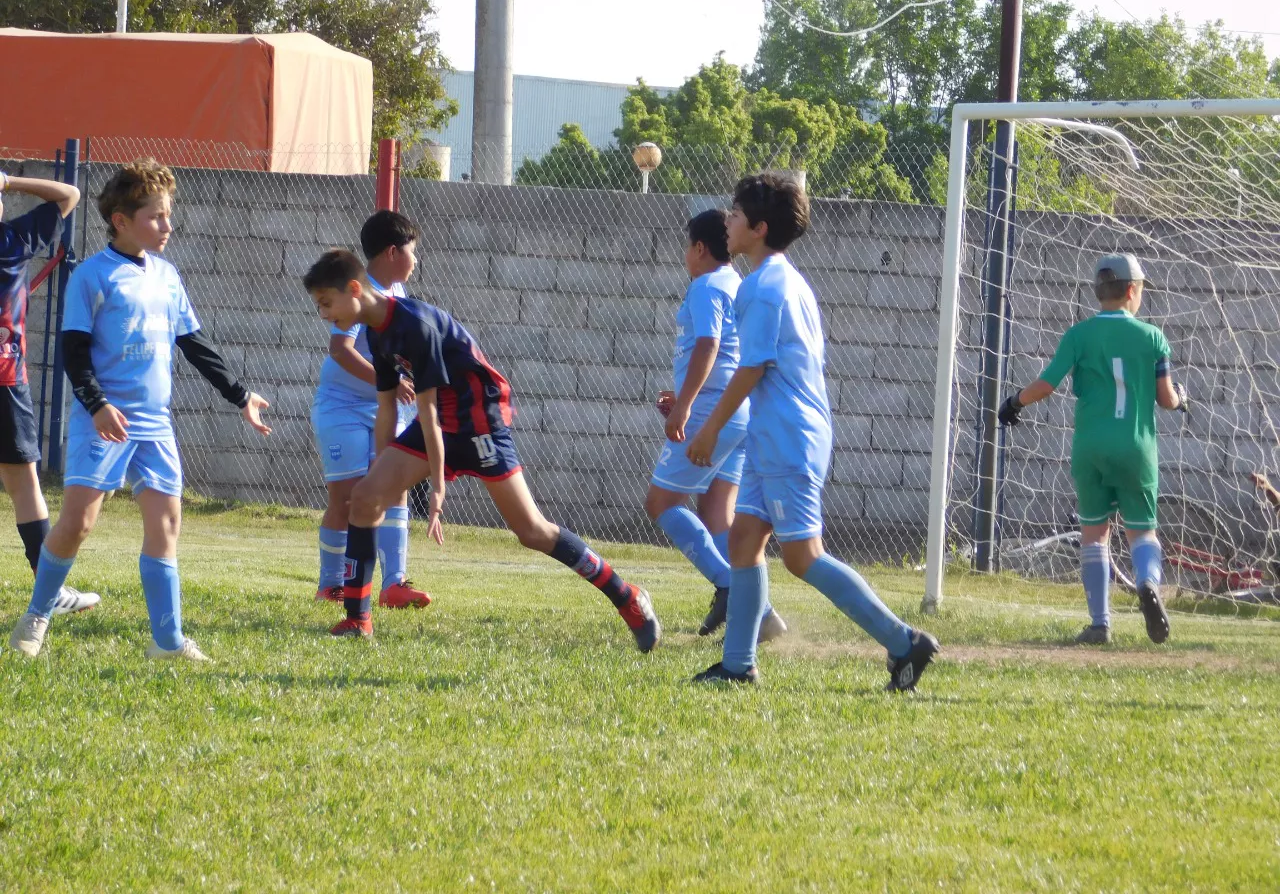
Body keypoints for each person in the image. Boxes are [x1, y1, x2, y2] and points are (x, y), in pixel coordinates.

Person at [302, 247, 661, 649]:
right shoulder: (374, 330)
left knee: (532, 531)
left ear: (354, 289)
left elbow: (432, 414)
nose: (324, 315)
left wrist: (436, 488)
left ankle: (627, 597)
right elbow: (387, 407)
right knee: (365, 498)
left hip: (478, 421)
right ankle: (357, 620)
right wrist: (384, 473)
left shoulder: (414, 324)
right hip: (437, 422)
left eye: (326, 304)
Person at [7, 159, 272, 661]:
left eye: (169, 216)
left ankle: (167, 643)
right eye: (156, 217)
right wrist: (98, 405)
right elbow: (73, 353)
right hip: (103, 420)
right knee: (77, 524)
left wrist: (241, 396)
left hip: (154, 423)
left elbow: (194, 344)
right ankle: (37, 615)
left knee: (167, 524)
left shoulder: (168, 277)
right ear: (121, 221)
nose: (167, 226)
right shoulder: (92, 275)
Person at [686, 173, 938, 690]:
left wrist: (709, 430)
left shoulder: (763, 288)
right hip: (774, 435)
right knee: (744, 539)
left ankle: (903, 642)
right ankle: (738, 666)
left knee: (803, 557)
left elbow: (751, 368)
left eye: (735, 214)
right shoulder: (787, 279)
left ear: (757, 228)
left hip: (787, 438)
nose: (726, 221)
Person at [999, 252, 1185, 645]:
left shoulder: (1078, 335)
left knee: (1094, 535)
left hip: (1091, 448)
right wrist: (1182, 398)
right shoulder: (1153, 337)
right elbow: (1166, 399)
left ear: (1099, 292)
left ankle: (1100, 624)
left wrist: (1014, 401)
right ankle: (1147, 583)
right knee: (1142, 534)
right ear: (1133, 291)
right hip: (1136, 449)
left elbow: (1047, 384)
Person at [645, 208, 786, 641]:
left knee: (660, 503)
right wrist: (685, 393)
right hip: (737, 413)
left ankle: (728, 587)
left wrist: (685, 405)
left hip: (710, 414)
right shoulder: (738, 285)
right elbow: (726, 356)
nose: (686, 256)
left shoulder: (706, 286)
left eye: (688, 248)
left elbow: (709, 344)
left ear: (699, 249)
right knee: (717, 517)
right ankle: (760, 614)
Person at [311, 211, 429, 610]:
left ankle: (394, 583)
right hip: (342, 406)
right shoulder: (358, 291)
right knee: (346, 498)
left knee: (393, 485)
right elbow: (340, 350)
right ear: (393, 252)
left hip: (386, 405)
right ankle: (331, 583)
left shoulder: (401, 297)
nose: (416, 260)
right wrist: (391, 383)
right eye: (413, 251)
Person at [0, 169, 99, 615]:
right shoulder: (13, 240)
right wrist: (9, 181)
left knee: (24, 481)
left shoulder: (13, 240)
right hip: (5, 379)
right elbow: (70, 194)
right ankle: (50, 591)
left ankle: (51, 590)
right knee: (24, 482)